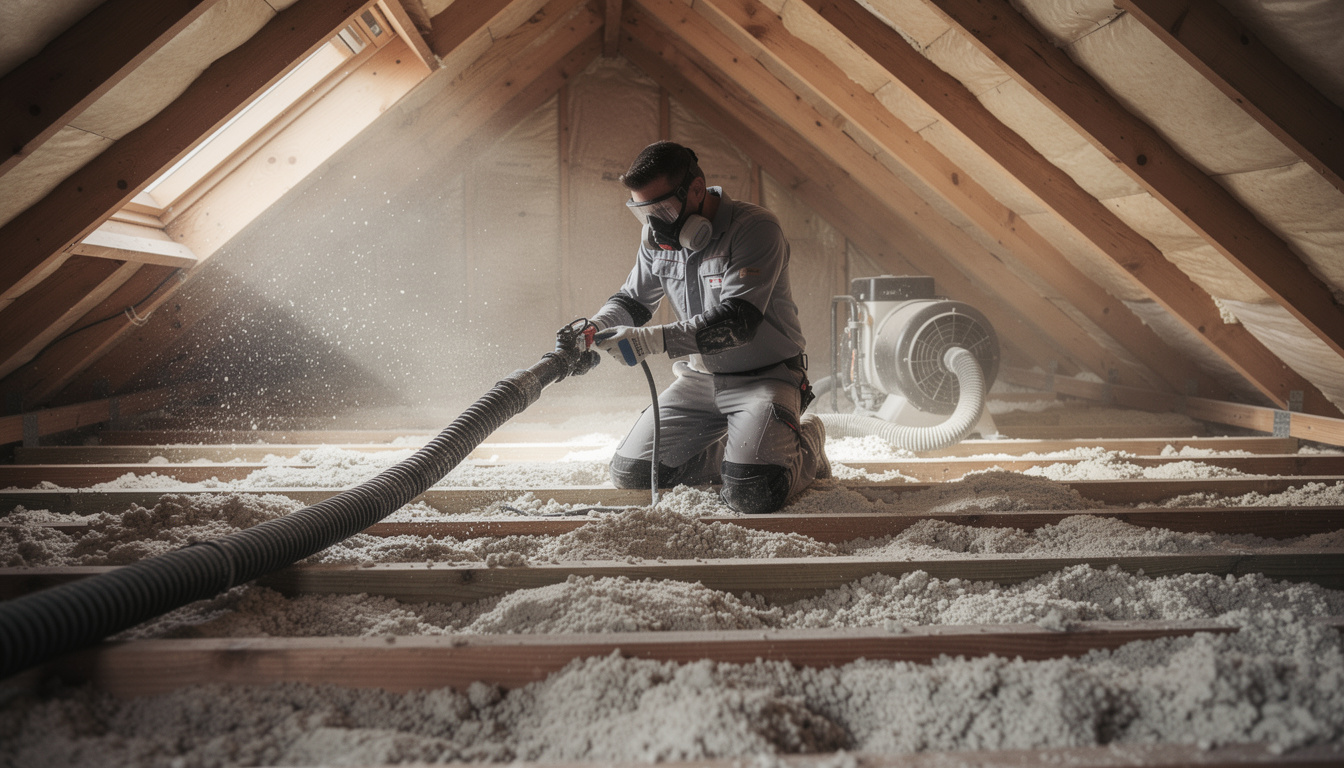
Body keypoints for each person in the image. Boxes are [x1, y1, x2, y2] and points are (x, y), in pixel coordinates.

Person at [574, 140, 828, 514]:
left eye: (663, 209)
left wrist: (650, 341)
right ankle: (744, 454)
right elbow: (632, 301)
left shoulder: (755, 228)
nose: (655, 224)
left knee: (754, 493)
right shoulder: (656, 241)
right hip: (699, 381)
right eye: (644, 212)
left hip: (764, 379)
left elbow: (737, 322)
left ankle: (808, 444)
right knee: (634, 473)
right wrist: (593, 327)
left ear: (696, 189)